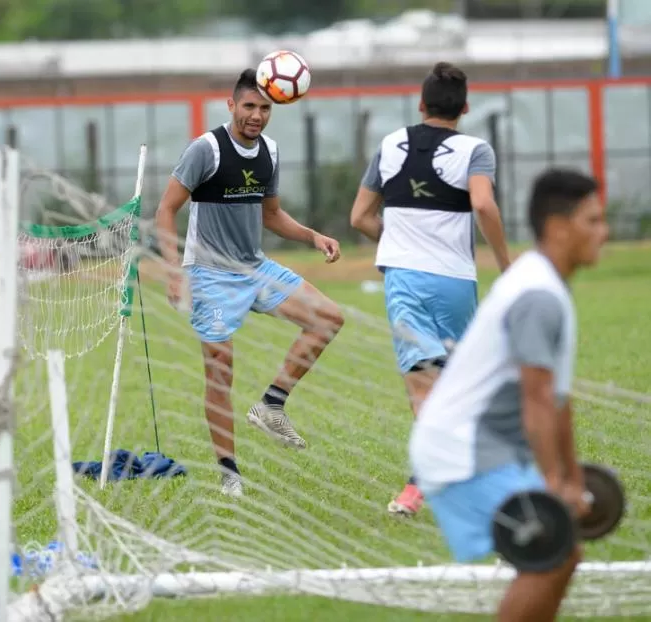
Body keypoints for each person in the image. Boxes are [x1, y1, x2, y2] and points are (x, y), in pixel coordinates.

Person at [409, 169, 607, 622]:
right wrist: (556, 483)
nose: (604, 232)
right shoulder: (537, 294)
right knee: (553, 556)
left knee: (560, 553)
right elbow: (537, 399)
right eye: (593, 221)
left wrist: (573, 479)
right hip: (462, 452)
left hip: (485, 449)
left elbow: (558, 400)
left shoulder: (545, 284)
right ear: (559, 228)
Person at [155, 69, 345, 497]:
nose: (256, 116)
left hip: (255, 268)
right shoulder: (207, 149)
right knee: (220, 372)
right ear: (231, 105)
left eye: (264, 108)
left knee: (329, 319)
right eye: (249, 106)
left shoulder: (270, 151)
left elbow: (272, 215)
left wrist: (313, 236)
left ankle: (272, 403)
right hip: (210, 275)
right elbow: (165, 210)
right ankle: (229, 474)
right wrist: (173, 271)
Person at [349, 61, 510, 516]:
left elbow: (359, 217)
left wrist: (399, 241)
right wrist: (505, 262)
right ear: (465, 108)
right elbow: (483, 203)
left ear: (421, 105)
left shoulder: (390, 144)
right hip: (456, 283)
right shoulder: (476, 150)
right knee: (457, 385)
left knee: (424, 390)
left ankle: (428, 484)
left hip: (404, 282)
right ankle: (437, 482)